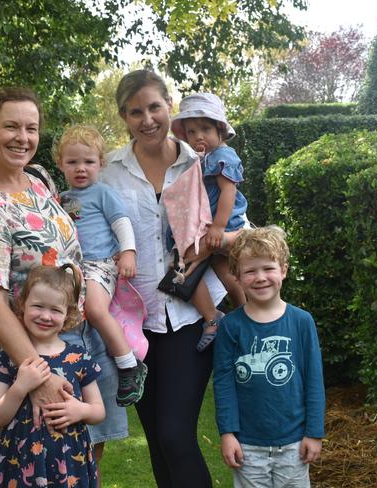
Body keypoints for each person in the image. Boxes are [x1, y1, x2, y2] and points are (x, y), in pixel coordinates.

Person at [0, 87, 127, 481]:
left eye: (31, 128)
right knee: (40, 464)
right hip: (31, 356)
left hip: (72, 339)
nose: (23, 137)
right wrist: (39, 377)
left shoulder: (37, 181)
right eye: (11, 126)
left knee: (79, 457)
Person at [100, 69, 231, 487]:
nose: (147, 119)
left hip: (191, 318)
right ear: (124, 116)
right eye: (135, 111)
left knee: (176, 435)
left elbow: (239, 227)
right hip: (133, 324)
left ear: (169, 106)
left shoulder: (202, 162)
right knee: (157, 440)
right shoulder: (109, 174)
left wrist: (213, 243)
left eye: (154, 107)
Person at [213, 226, 325, 487]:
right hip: (248, 445)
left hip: (294, 444)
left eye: (268, 268)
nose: (260, 277)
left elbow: (314, 381)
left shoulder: (302, 322)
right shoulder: (231, 326)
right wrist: (228, 433)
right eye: (250, 271)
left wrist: (314, 432)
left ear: (283, 270)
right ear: (237, 278)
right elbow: (224, 383)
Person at [0, 264, 105, 487]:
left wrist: (81, 410)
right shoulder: (9, 358)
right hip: (21, 465)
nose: (45, 316)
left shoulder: (78, 356)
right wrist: (20, 387)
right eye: (38, 306)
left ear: (68, 314)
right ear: (22, 304)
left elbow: (99, 410)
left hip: (70, 466)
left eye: (55, 310)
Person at [54, 125, 147, 407]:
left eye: (88, 162)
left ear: (101, 164)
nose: (81, 168)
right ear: (61, 164)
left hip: (101, 264)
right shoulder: (61, 198)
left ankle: (129, 365)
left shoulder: (102, 193)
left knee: (94, 309)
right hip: (75, 268)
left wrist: (128, 253)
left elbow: (121, 223)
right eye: (72, 162)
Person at [167, 92, 248, 352]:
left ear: (220, 130)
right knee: (221, 271)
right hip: (209, 224)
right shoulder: (201, 160)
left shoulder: (224, 155)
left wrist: (218, 227)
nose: (198, 136)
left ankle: (242, 312)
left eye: (205, 129)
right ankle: (218, 316)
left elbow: (228, 192)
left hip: (224, 224)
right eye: (191, 132)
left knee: (186, 264)